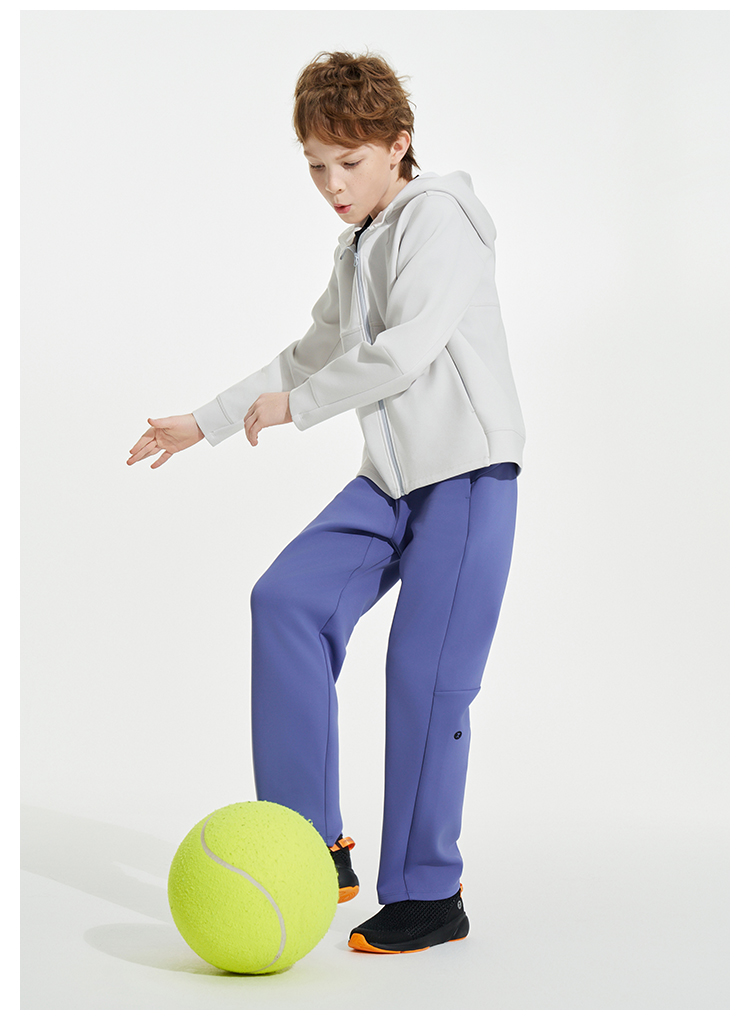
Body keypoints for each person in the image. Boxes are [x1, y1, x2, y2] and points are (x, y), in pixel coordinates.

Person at [127, 49, 525, 955]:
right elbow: (310, 351)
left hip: (466, 478)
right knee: (286, 603)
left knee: (423, 677)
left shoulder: (442, 219)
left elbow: (406, 350)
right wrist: (206, 421)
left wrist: (296, 409)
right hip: (389, 483)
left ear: (399, 144)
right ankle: (308, 845)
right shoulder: (358, 245)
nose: (332, 185)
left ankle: (429, 894)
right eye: (315, 166)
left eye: (349, 161)